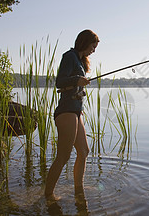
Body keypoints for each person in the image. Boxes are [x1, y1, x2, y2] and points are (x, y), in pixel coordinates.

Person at [45, 29, 100, 199]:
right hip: (66, 110)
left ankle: (79, 189)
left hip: (77, 111)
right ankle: (48, 195)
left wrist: (79, 80)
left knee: (83, 151)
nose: (94, 50)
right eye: (93, 46)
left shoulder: (81, 61)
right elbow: (60, 82)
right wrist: (77, 80)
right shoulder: (69, 56)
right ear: (85, 42)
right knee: (64, 156)